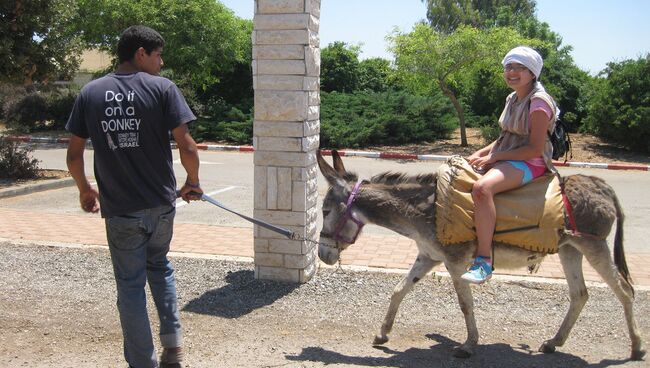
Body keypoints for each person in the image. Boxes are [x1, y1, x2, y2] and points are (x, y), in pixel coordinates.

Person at [66, 25, 203, 368]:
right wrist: (193, 182)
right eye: (158, 55)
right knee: (161, 268)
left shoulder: (91, 93)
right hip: (160, 205)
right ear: (140, 53)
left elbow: (73, 154)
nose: (161, 62)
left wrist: (84, 189)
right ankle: (174, 347)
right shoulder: (163, 89)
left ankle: (144, 363)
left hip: (121, 210)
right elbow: (187, 145)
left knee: (130, 286)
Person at [461, 46, 559, 284]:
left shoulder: (538, 103)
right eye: (508, 67)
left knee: (482, 189)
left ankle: (484, 261)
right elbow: (505, 136)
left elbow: (534, 148)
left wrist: (494, 158)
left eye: (519, 68)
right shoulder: (513, 98)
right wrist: (479, 153)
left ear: (532, 73)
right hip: (508, 154)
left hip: (530, 161)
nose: (512, 72)